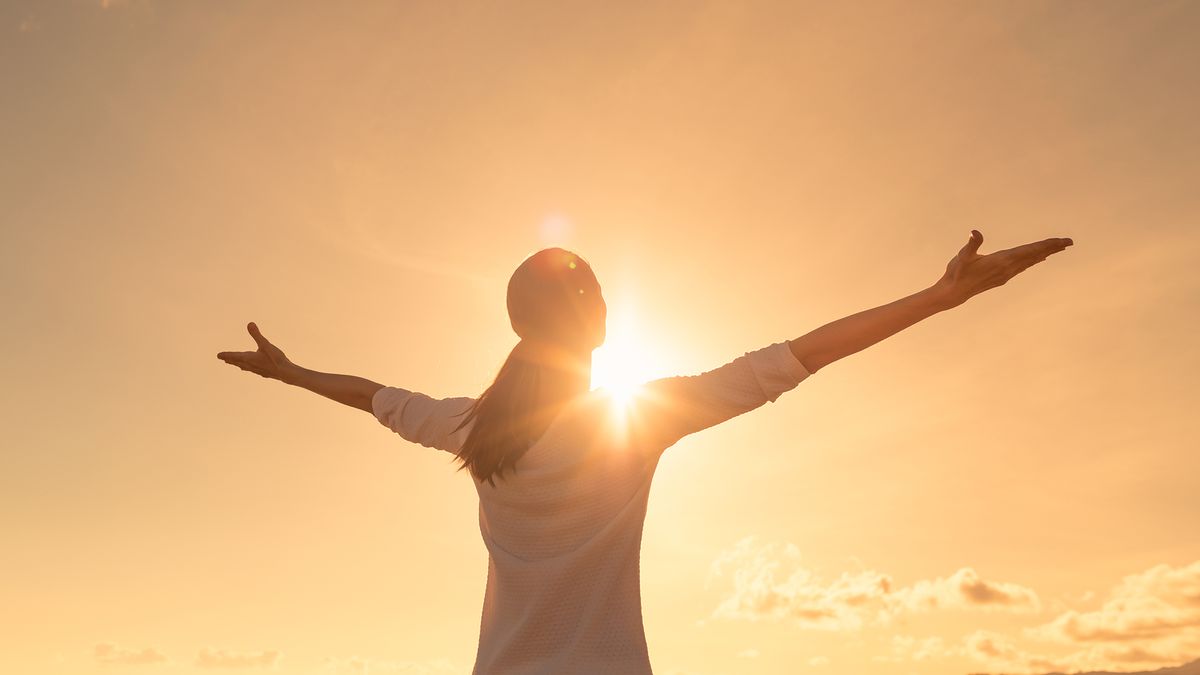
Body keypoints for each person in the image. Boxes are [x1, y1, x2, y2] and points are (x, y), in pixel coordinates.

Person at [217, 230, 1073, 674]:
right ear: (595, 322)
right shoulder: (637, 419)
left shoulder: (474, 428)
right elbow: (800, 354)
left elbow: (373, 395)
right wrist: (938, 298)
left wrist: (291, 372)